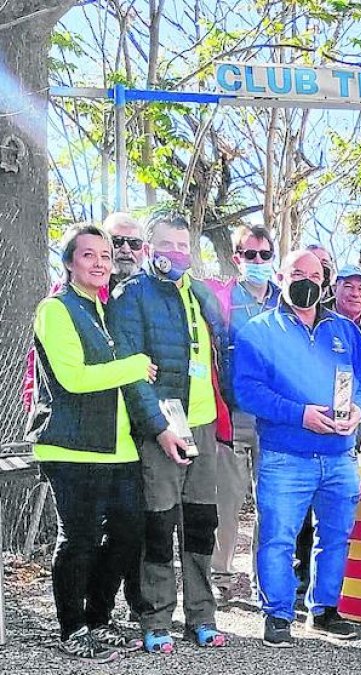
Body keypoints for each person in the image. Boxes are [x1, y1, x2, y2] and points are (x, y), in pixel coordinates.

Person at [234, 250, 361, 648]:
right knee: (278, 538)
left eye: (315, 276)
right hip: (285, 456)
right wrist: (299, 415)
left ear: (325, 282)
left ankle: (324, 610)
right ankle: (278, 614)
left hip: (340, 456)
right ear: (281, 276)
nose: (306, 282)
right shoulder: (258, 330)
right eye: (297, 273)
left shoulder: (345, 330)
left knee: (336, 537)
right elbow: (247, 391)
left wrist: (360, 409)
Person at [27, 226, 158, 662]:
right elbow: (74, 378)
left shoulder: (103, 310)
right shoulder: (55, 309)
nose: (100, 262)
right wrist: (133, 366)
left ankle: (100, 618)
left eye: (105, 255)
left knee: (128, 535)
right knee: (79, 539)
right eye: (89, 255)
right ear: (69, 263)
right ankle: (73, 628)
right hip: (70, 446)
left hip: (118, 447)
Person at [107, 213, 233, 653]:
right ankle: (156, 617)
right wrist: (158, 428)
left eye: (182, 245)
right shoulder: (130, 295)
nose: (175, 253)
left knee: (200, 525)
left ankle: (202, 615)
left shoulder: (200, 293)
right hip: (161, 428)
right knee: (159, 525)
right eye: (165, 245)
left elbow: (222, 351)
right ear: (148, 248)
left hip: (204, 424)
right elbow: (130, 373)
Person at [205, 225, 282, 606]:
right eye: (250, 255)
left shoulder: (285, 300)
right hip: (232, 414)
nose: (257, 261)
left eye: (264, 255)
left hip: (275, 421)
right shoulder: (221, 300)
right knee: (228, 502)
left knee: (271, 504)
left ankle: (264, 580)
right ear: (237, 258)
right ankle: (219, 579)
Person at [303, 244, 337, 312]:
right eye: (314, 261)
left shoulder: (340, 301)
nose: (319, 267)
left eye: (324, 263)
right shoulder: (290, 296)